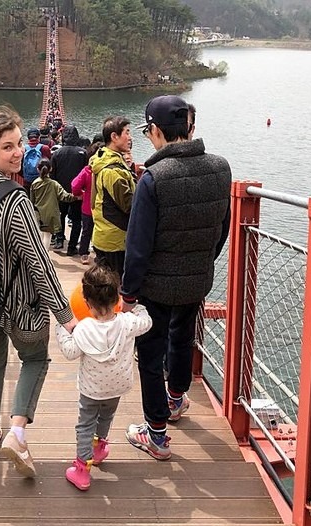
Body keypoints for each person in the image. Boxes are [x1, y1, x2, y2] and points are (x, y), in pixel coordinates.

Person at [0, 106, 78, 478]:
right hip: (23, 305)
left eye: (17, 144)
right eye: (8, 147)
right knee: (35, 360)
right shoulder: (14, 199)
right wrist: (65, 316)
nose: (18, 154)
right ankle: (16, 432)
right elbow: (39, 264)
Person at [121, 95, 231, 460]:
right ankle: (176, 399)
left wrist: (128, 294)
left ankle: (156, 435)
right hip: (197, 279)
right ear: (191, 127)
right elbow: (223, 228)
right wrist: (203, 261)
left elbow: (138, 245)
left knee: (150, 357)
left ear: (153, 130)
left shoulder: (154, 178)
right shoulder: (221, 168)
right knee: (182, 339)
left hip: (156, 284)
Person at [55, 264, 152, 490]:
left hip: (91, 390)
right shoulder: (127, 323)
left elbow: (70, 352)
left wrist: (62, 328)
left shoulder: (84, 328)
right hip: (118, 386)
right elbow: (147, 322)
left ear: (87, 303)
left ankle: (82, 470)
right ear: (116, 298)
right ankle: (99, 449)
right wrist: (136, 308)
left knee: (85, 424)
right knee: (106, 417)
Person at [90, 116, 136, 277]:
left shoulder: (102, 159)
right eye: (126, 132)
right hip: (115, 240)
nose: (130, 137)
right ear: (114, 137)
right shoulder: (113, 171)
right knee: (116, 289)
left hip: (105, 234)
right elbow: (130, 206)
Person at [51, 125, 89, 253]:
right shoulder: (83, 153)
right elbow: (86, 173)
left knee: (61, 215)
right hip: (78, 193)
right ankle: (72, 247)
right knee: (77, 219)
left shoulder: (56, 153)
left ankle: (59, 240)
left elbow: (52, 175)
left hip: (61, 192)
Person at [30, 157, 79, 248]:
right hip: (51, 213)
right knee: (47, 235)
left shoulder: (34, 183)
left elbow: (32, 200)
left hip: (38, 213)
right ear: (51, 169)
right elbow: (64, 196)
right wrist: (76, 197)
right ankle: (46, 255)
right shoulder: (54, 184)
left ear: (37, 169)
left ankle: (40, 255)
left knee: (40, 234)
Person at [71, 135, 104, 265]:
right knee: (101, 231)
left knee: (86, 231)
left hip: (88, 206)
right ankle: (100, 254)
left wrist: (81, 194)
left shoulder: (88, 171)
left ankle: (84, 253)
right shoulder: (109, 170)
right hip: (104, 208)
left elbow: (75, 185)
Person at [21, 128, 52, 193]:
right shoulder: (45, 148)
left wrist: (25, 175)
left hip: (27, 181)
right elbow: (50, 163)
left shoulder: (23, 149)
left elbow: (19, 166)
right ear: (39, 137)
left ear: (28, 138)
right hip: (42, 181)